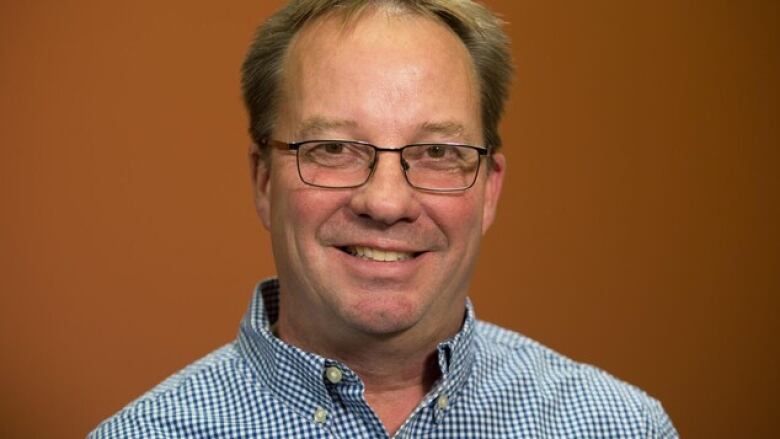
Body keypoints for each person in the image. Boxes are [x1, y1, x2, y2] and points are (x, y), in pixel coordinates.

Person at [90, 1, 677, 437]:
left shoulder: (618, 426)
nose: (387, 202)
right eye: (334, 148)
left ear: (490, 190)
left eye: (439, 153)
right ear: (264, 180)